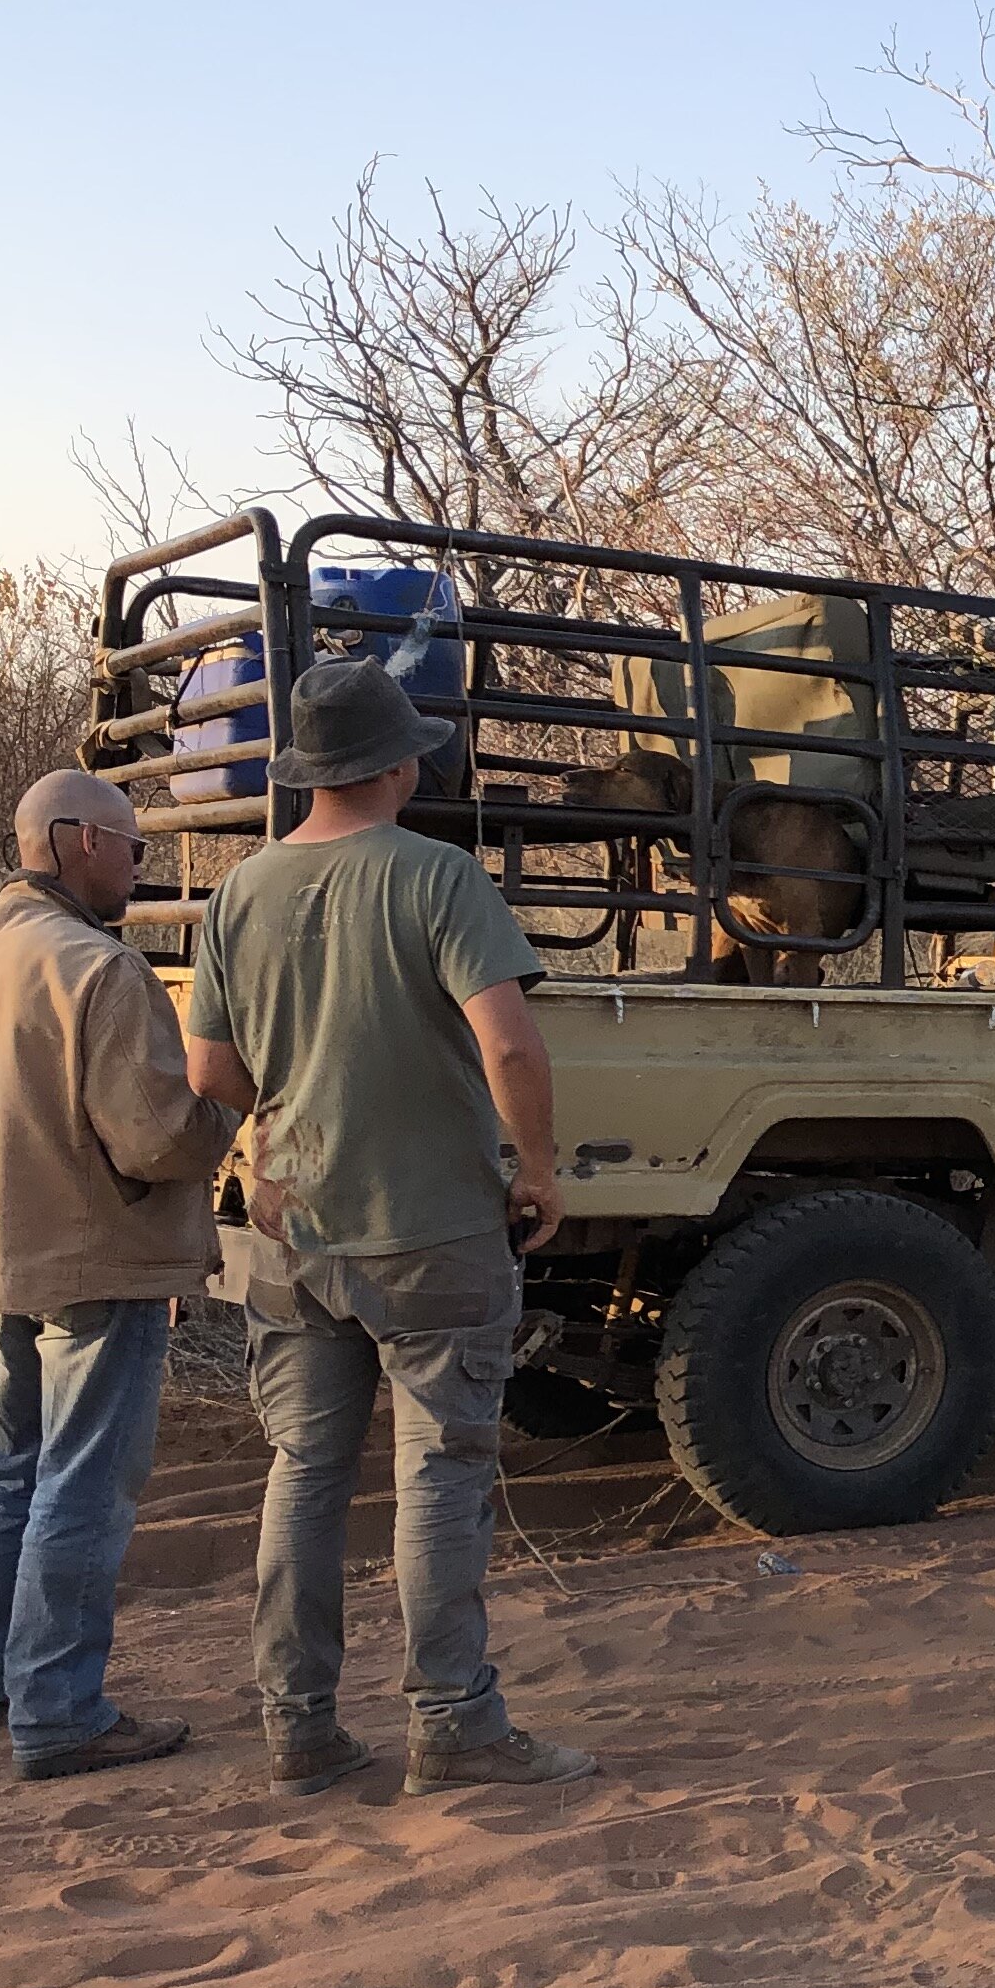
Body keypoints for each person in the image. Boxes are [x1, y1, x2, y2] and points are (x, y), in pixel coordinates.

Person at [182, 659, 597, 1793]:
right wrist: (541, 1169)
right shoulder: (439, 878)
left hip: (291, 1228)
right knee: (442, 1474)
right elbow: (509, 1043)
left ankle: (298, 1723)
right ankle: (453, 1722)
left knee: (305, 1472)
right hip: (431, 1232)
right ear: (401, 764)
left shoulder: (239, 893)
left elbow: (212, 1074)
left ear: (308, 771)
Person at [0, 769, 239, 1780]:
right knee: (83, 1485)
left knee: (5, 1469)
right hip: (96, 1258)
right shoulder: (98, 969)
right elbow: (157, 1142)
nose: (140, 867)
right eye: (133, 847)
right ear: (77, 841)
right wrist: (227, 1103)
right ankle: (58, 1710)